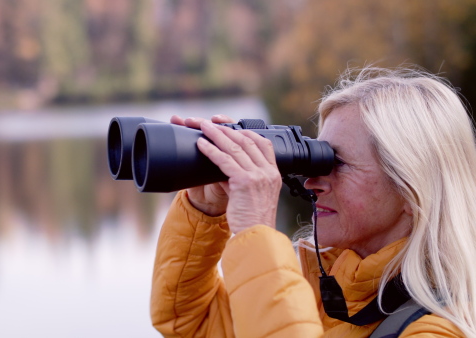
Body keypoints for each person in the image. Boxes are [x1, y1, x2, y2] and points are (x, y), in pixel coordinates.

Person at [150, 66, 476, 337]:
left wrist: (256, 234)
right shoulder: (320, 290)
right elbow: (191, 322)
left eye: (338, 163)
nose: (311, 182)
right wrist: (205, 210)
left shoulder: (440, 328)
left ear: (411, 188)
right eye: (318, 160)